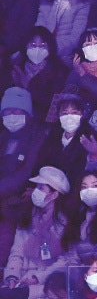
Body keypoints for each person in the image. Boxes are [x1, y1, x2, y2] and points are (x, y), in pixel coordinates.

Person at [0, 167, 70, 299]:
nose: (36, 192)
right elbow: (16, 251)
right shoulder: (27, 217)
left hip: (46, 284)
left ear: (55, 194)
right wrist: (12, 276)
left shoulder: (64, 223)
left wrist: (35, 277)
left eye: (42, 188)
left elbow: (65, 260)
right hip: (20, 283)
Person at [0, 88, 47, 266]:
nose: (11, 116)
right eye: (7, 112)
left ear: (27, 113)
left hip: (18, 204)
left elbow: (26, 171)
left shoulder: (37, 136)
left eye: (17, 111)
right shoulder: (3, 137)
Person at [34, 0, 93, 64]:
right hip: (43, 53)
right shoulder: (45, 1)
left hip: (66, 56)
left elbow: (75, 39)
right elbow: (39, 30)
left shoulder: (81, 2)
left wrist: (50, 49)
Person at [11, 26, 69, 121]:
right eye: (33, 44)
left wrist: (27, 87)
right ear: (25, 45)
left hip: (43, 122)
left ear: (50, 47)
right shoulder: (17, 66)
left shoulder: (59, 70)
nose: (37, 49)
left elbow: (54, 104)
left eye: (42, 45)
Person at [59, 171, 97, 264]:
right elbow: (71, 254)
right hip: (83, 274)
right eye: (84, 187)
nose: (89, 190)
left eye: (95, 186)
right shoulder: (76, 218)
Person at [36, 95, 97, 185]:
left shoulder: (89, 139)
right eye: (65, 113)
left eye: (74, 112)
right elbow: (40, 162)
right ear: (59, 115)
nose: (69, 117)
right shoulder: (52, 135)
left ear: (82, 114)